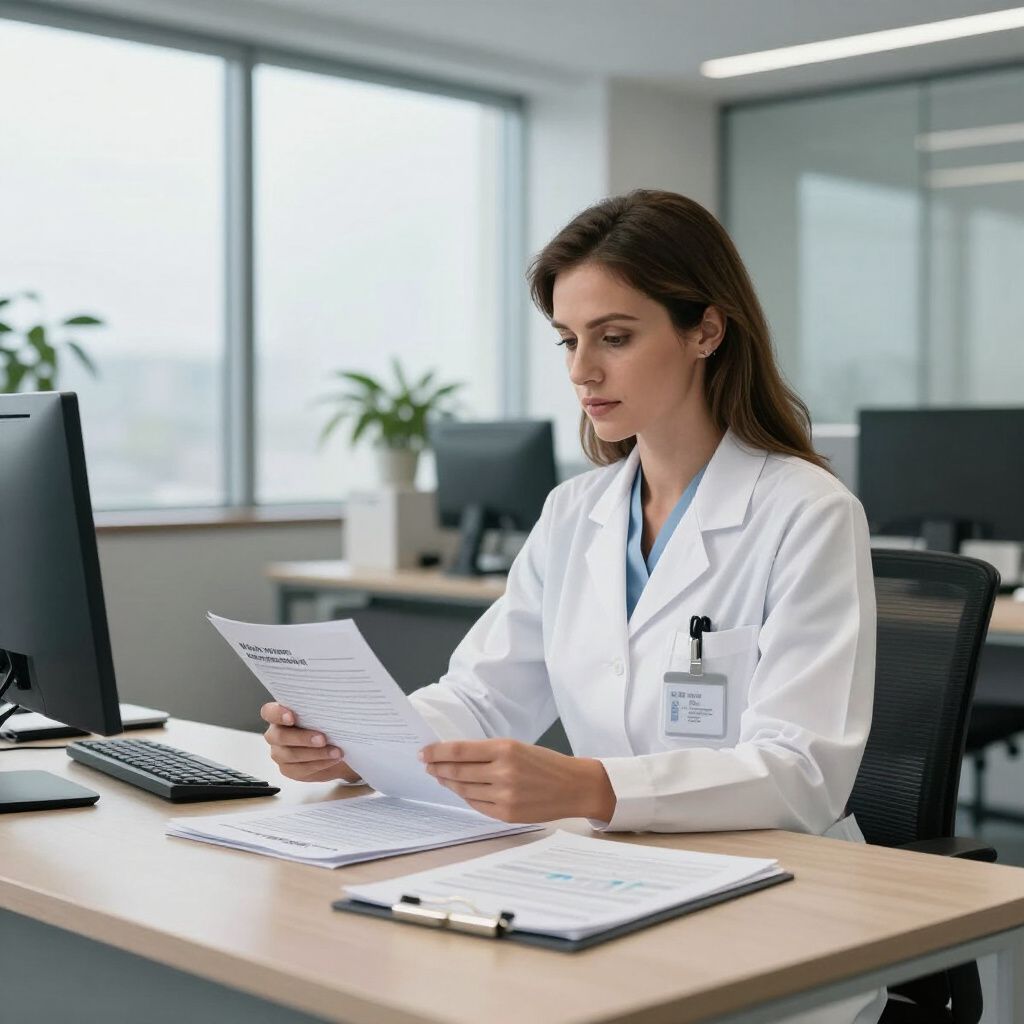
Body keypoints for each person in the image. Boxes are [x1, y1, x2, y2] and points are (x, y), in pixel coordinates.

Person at [261, 190, 883, 1022]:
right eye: (568, 340)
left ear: (706, 330)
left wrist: (591, 787)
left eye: (615, 338)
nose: (582, 371)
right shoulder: (574, 513)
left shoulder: (807, 511)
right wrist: (357, 742)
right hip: (609, 882)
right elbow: (483, 696)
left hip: (777, 899)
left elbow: (802, 772)